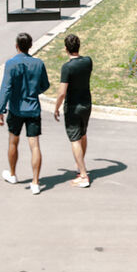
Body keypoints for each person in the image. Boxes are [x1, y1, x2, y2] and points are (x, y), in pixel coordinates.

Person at [0, 32, 50, 195]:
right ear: (31, 46)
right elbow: (45, 85)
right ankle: (35, 182)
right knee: (35, 145)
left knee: (13, 141)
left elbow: (6, 88)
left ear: (16, 46)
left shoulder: (11, 64)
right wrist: (34, 91)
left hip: (16, 108)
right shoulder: (38, 63)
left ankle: (13, 174)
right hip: (33, 108)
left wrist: (0, 110)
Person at [54, 33, 93, 188]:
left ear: (66, 49)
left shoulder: (67, 68)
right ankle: (80, 165)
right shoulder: (88, 61)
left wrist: (56, 108)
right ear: (78, 46)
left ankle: (83, 175)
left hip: (73, 107)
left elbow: (62, 92)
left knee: (74, 139)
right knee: (83, 135)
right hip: (87, 105)